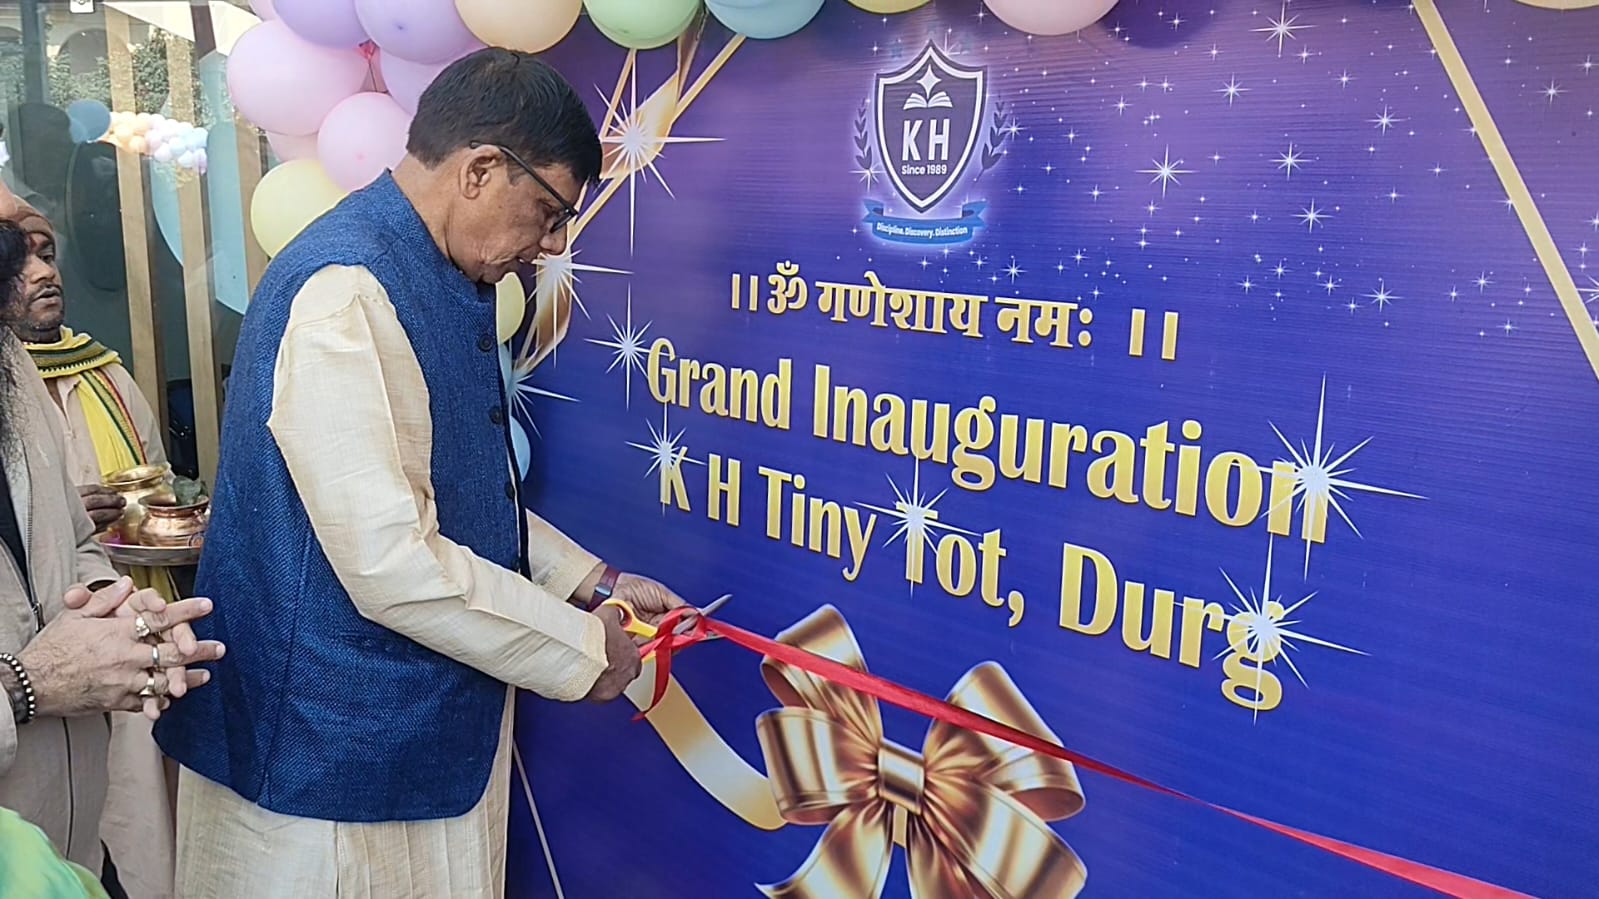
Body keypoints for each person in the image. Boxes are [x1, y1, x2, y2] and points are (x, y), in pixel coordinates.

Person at [154, 49, 688, 898]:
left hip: (406, 748)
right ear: (480, 170)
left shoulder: (427, 271)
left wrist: (592, 581)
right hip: (325, 769)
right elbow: (392, 561)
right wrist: (584, 649)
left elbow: (448, 490)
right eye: (548, 211)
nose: (552, 245)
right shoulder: (346, 291)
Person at [0, 220, 225, 889]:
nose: (40, 267)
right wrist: (28, 683)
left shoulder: (10, 361)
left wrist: (116, 613)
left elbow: (72, 541)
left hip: (72, 852)